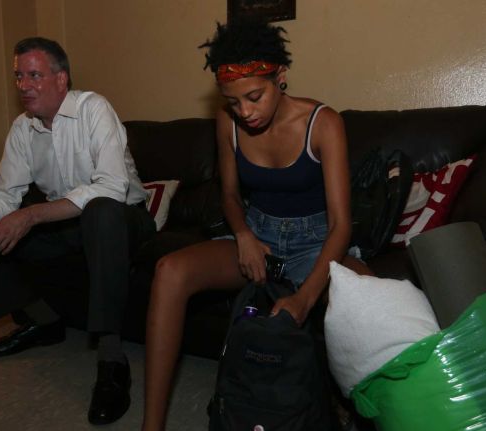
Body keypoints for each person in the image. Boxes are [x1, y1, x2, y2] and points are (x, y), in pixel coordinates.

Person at [141, 21, 370, 430]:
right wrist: (244, 235)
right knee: (169, 272)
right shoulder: (227, 123)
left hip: (316, 241)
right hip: (257, 234)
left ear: (280, 78)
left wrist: (303, 300)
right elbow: (229, 195)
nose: (244, 112)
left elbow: (340, 226)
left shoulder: (323, 123)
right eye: (233, 102)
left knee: (373, 294)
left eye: (254, 97)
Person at [0, 37, 155, 426]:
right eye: (18, 76)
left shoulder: (94, 109)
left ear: (61, 80)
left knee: (101, 212)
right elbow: (6, 191)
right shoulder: (23, 129)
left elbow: (111, 187)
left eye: (34, 75)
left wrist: (32, 216)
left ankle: (112, 360)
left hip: (124, 220)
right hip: (65, 223)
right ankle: (43, 321)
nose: (23, 85)